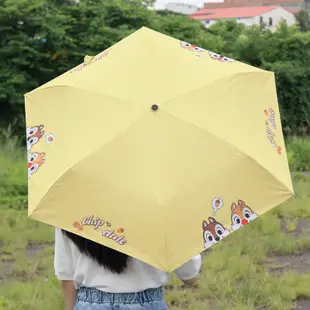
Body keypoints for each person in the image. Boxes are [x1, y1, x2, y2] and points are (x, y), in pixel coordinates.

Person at [54, 228, 202, 310]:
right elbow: (190, 276)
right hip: (146, 304)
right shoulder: (155, 204)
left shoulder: (70, 204)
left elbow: (66, 277)